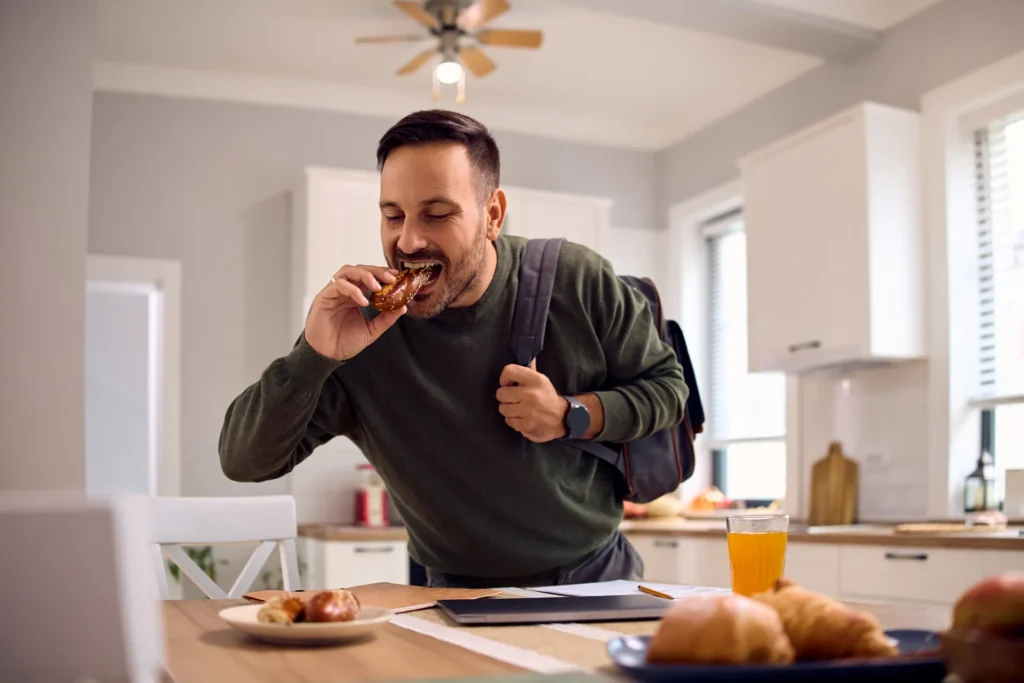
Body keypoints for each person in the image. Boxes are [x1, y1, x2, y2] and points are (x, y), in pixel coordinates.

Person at [219, 109, 689, 589]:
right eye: (392, 215)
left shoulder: (576, 277)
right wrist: (314, 355)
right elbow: (243, 461)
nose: (408, 240)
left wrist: (572, 413)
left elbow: (669, 391)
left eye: (437, 214)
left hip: (596, 577)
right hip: (453, 591)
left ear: (492, 215)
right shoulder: (358, 331)